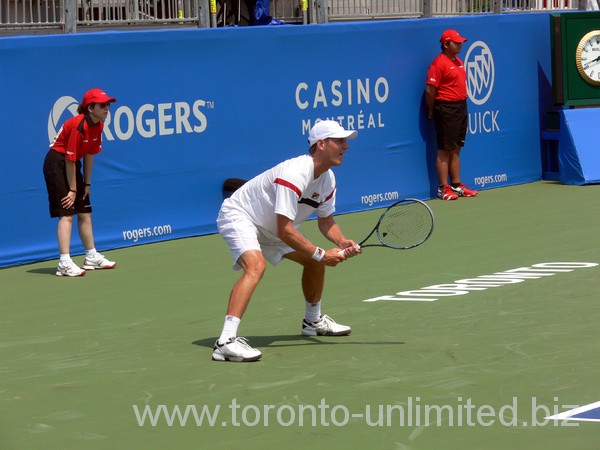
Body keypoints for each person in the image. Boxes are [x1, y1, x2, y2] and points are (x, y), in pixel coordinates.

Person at [212, 120, 361, 362]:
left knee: (314, 263)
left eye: (346, 141)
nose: (346, 146)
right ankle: (225, 342)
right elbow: (285, 231)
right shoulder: (295, 172)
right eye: (339, 141)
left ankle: (313, 322)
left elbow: (326, 222)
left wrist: (342, 241)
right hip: (242, 215)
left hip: (273, 227)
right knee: (256, 266)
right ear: (321, 144)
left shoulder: (328, 179)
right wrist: (323, 254)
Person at [43, 88, 118, 277]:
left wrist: (87, 185)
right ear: (90, 108)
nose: (107, 108)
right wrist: (73, 190)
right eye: (103, 105)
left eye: (108, 105)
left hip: (72, 164)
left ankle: (91, 256)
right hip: (57, 163)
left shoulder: (99, 125)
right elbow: (69, 159)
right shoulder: (79, 126)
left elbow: (90, 155)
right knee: (66, 212)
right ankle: (64, 262)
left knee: (85, 211)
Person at [425, 29, 478, 201]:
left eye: (461, 42)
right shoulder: (438, 63)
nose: (460, 44)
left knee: (456, 148)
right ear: (446, 44)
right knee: (445, 149)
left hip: (461, 107)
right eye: (456, 42)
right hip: (445, 108)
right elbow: (430, 90)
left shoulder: (458, 61)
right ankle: (443, 188)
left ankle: (456, 185)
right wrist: (432, 109)